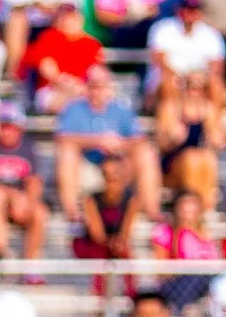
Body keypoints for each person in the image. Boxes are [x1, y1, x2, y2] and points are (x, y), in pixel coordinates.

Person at [55, 64, 162, 229]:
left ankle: (151, 209)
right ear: (86, 86)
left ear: (109, 87)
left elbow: (139, 138)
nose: (97, 91)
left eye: (101, 86)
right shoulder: (74, 108)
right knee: (67, 154)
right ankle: (71, 210)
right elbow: (62, 139)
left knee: (146, 153)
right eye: (93, 85)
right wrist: (98, 141)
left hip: (120, 164)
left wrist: (120, 144)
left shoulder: (121, 108)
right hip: (87, 165)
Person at [0, 103, 47, 264]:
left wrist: (27, 202)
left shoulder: (28, 149)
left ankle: (31, 264)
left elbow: (34, 181)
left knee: (40, 212)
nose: (7, 132)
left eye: (11, 127)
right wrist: (13, 197)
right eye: (4, 127)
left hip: (20, 203)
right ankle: (0, 250)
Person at [154, 69, 224, 212]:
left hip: (199, 162)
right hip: (172, 164)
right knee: (191, 158)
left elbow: (218, 140)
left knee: (207, 159)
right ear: (184, 87)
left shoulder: (208, 110)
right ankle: (194, 210)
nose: (195, 92)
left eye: (200, 88)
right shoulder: (171, 108)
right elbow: (160, 145)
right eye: (191, 86)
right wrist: (173, 139)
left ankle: (203, 207)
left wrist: (215, 139)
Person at [148, 0, 226, 108]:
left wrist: (198, 78)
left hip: (199, 79)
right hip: (171, 78)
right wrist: (184, 78)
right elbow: (160, 62)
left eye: (194, 10)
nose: (190, 14)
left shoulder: (211, 34)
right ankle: (171, 123)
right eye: (187, 9)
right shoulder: (163, 29)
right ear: (179, 10)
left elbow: (216, 66)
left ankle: (214, 123)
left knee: (216, 86)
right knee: (170, 83)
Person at [19, 3, 103, 113]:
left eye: (72, 17)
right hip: (53, 90)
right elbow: (48, 69)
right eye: (65, 17)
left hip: (83, 90)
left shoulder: (92, 44)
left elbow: (96, 71)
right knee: (74, 103)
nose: (68, 21)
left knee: (99, 98)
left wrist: (85, 88)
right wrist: (68, 84)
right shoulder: (48, 38)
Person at [152, 188, 220, 314]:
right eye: (184, 206)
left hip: (204, 279)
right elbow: (162, 270)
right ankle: (175, 313)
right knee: (197, 274)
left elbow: (213, 261)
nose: (188, 211)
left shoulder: (205, 233)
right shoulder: (166, 232)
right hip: (175, 282)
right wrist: (180, 233)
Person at [73, 152, 140, 263]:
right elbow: (97, 235)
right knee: (99, 253)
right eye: (106, 176)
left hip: (117, 244)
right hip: (94, 246)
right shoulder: (91, 200)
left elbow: (126, 232)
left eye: (115, 176)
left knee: (125, 252)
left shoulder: (132, 200)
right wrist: (111, 243)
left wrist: (118, 243)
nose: (111, 181)